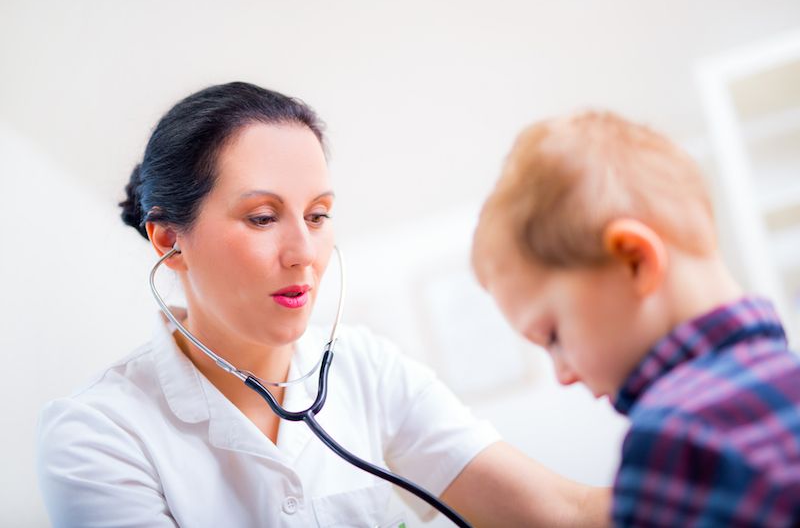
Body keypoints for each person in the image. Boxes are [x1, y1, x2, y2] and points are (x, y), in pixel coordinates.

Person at [36, 82, 608, 527]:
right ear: (169, 240)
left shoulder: (368, 368)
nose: (304, 253)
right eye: (262, 217)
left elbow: (562, 513)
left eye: (317, 215)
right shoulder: (98, 434)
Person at [471, 110, 800, 526]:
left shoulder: (674, 441)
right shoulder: (787, 378)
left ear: (634, 261)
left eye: (553, 336)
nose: (563, 375)